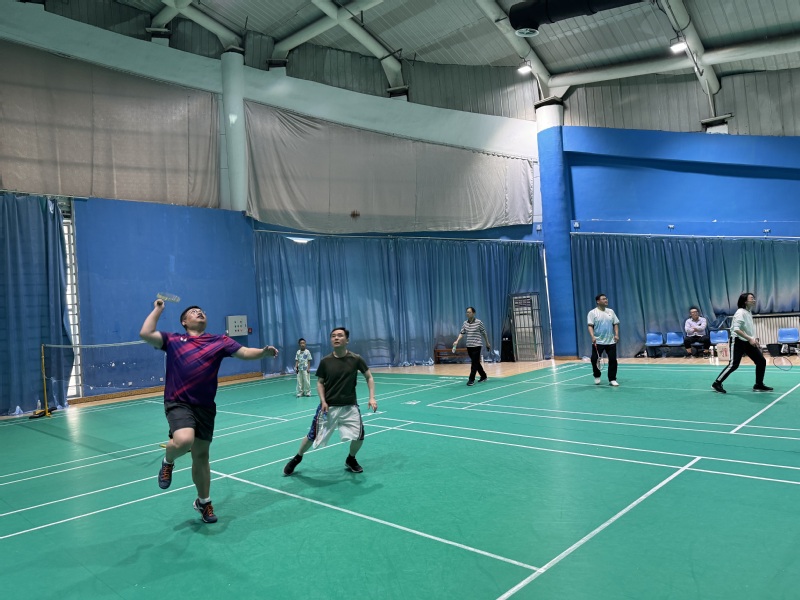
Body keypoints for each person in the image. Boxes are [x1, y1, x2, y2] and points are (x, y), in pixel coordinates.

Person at [140, 298, 278, 523]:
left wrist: (263, 353)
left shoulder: (219, 341)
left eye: (201, 311)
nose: (199, 313)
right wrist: (158, 309)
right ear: (184, 322)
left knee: (201, 456)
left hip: (205, 406)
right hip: (178, 401)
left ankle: (203, 502)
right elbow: (146, 333)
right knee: (184, 440)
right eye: (193, 312)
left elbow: (244, 352)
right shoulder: (174, 340)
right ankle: (168, 461)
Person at [283, 327, 377, 476]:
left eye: (340, 335)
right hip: (329, 407)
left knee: (359, 436)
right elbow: (320, 382)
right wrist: (323, 401)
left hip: (349, 406)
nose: (336, 338)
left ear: (347, 340)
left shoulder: (356, 359)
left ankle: (351, 459)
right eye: (333, 336)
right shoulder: (326, 361)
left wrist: (371, 397)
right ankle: (297, 457)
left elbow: (369, 377)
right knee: (312, 436)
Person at [712, 292, 773, 394]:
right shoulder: (740, 313)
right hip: (737, 341)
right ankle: (717, 383)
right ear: (745, 301)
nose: (754, 300)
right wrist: (750, 339)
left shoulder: (748, 312)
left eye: (754, 298)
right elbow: (736, 329)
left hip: (746, 340)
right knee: (734, 365)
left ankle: (758, 384)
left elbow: (747, 328)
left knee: (761, 361)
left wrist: (753, 339)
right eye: (751, 298)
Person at [452, 306, 491, 386]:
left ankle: (471, 379)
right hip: (469, 346)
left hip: (477, 345)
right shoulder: (465, 323)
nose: (468, 314)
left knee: (474, 363)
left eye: (469, 312)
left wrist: (487, 343)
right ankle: (483, 376)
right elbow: (462, 333)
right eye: (467, 312)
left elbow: (484, 333)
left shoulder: (479, 322)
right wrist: (457, 341)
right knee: (476, 362)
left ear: (473, 313)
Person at [587, 293, 620, 386]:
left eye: (606, 298)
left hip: (610, 341)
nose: (606, 300)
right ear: (598, 301)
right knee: (594, 360)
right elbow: (590, 326)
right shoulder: (592, 313)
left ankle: (612, 379)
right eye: (604, 299)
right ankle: (597, 375)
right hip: (598, 341)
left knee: (613, 360)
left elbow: (615, 323)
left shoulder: (611, 311)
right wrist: (592, 336)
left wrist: (616, 335)